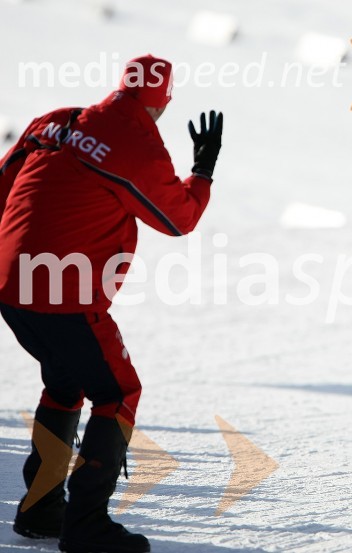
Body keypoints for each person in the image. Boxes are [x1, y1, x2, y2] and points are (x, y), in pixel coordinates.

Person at [0, 54, 223, 552]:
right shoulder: (137, 145)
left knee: (65, 382)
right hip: (62, 293)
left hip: (10, 288)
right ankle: (86, 527)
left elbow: (3, 185)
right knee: (118, 392)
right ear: (163, 102)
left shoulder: (56, 121)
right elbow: (177, 218)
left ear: (120, 87)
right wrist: (203, 169)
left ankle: (40, 510)